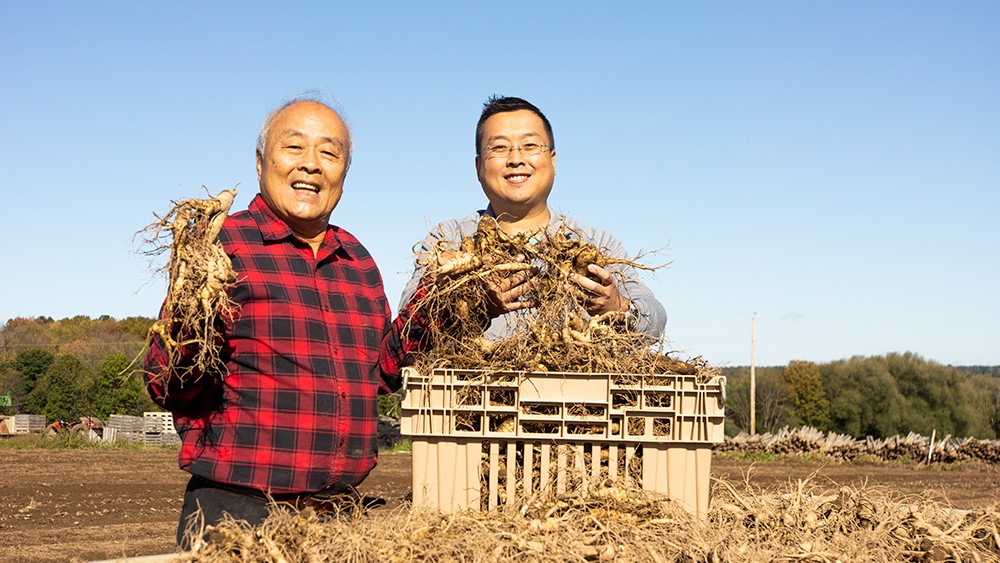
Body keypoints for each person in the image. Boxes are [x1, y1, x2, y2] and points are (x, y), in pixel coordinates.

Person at [144, 97, 420, 549]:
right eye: (294, 147)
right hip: (238, 513)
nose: (311, 164)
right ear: (260, 162)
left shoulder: (357, 259)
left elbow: (383, 373)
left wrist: (443, 305)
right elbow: (164, 383)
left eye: (329, 152)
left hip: (337, 517)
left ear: (344, 174)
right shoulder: (222, 246)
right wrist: (193, 325)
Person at [399, 95, 666, 341]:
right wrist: (474, 304)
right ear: (479, 167)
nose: (516, 159)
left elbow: (655, 324)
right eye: (500, 147)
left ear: (553, 161)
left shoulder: (595, 243)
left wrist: (617, 307)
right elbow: (407, 327)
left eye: (529, 145)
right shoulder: (450, 239)